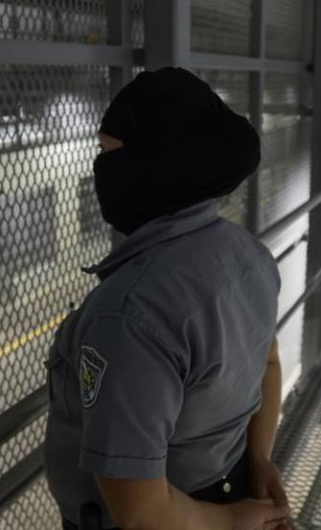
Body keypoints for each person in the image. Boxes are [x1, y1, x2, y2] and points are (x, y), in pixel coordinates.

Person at [44, 67, 290, 530]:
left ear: (154, 164)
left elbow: (140, 512)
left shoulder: (129, 316)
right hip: (225, 486)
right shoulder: (250, 257)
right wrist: (258, 460)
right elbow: (269, 366)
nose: (99, 169)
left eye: (106, 152)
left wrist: (233, 522)